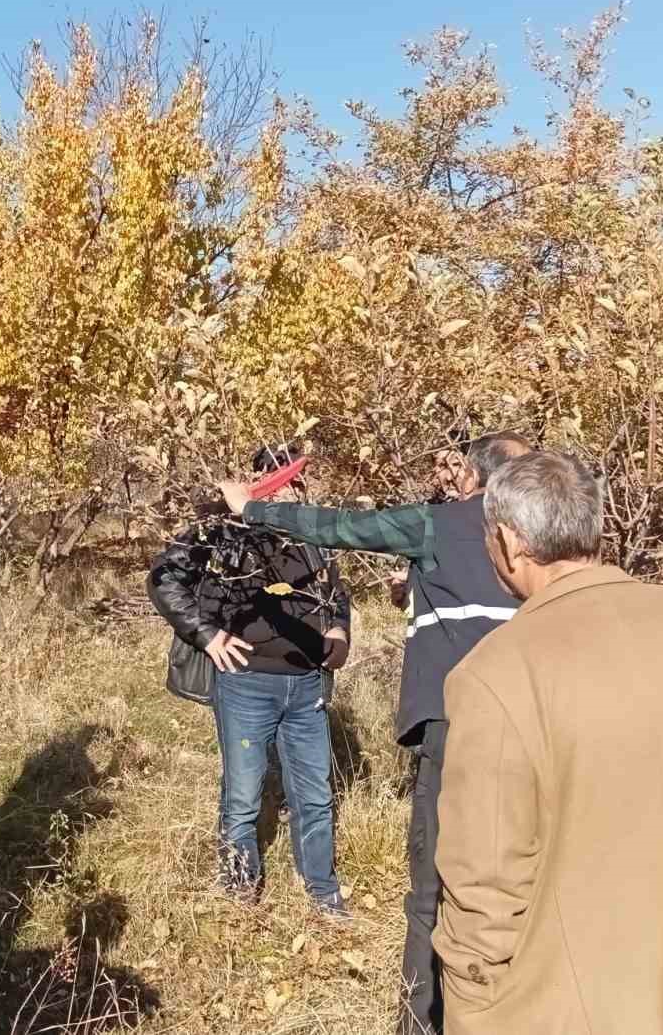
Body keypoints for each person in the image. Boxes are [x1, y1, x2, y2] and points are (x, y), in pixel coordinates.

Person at [434, 452, 663, 1034]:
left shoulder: (494, 674)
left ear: (508, 542)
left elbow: (484, 878)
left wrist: (470, 1005)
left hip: (568, 1001)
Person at [220, 431, 529, 1033]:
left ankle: (422, 1020)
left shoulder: (443, 523)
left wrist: (252, 507)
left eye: (460, 470)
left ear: (473, 476)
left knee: (434, 886)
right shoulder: (546, 537)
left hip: (455, 723)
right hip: (538, 725)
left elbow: (341, 527)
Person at [151, 446, 353, 915]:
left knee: (316, 794)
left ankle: (323, 892)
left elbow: (334, 593)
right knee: (244, 794)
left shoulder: (311, 534)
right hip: (246, 683)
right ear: (261, 484)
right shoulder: (222, 533)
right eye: (284, 480)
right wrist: (206, 633)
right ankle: (241, 891)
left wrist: (339, 629)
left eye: (299, 481)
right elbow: (164, 578)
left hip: (306, 686)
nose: (296, 489)